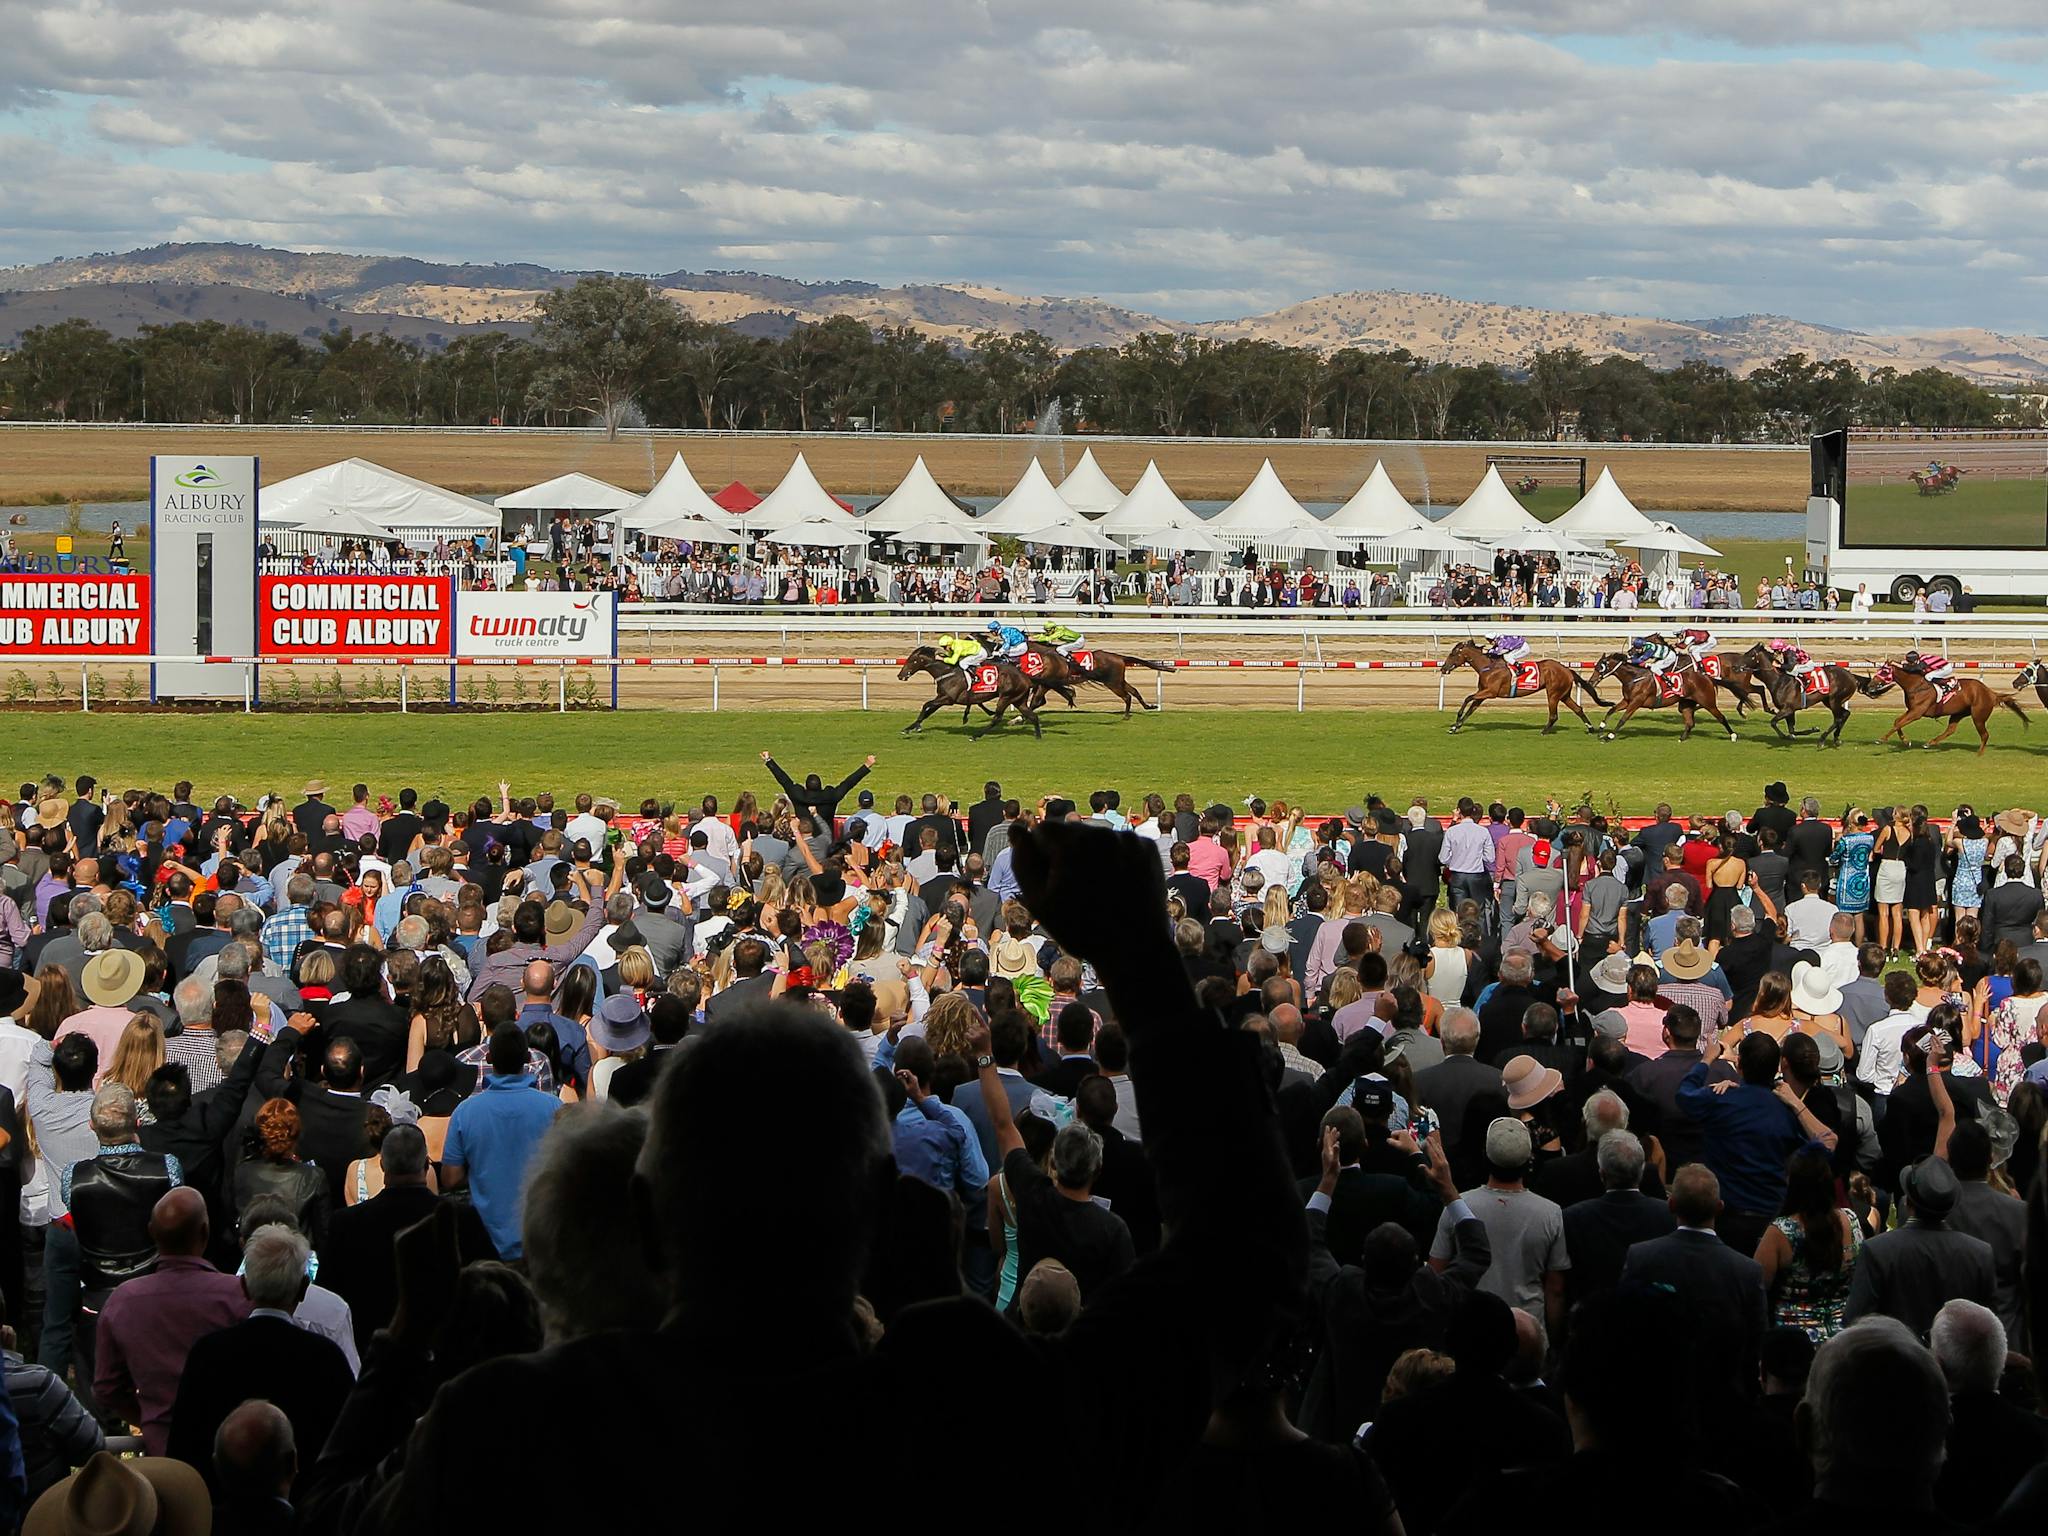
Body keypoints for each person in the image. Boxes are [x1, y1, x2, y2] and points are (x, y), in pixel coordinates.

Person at [164, 1225, 353, 1501]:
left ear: (244, 1286)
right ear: (303, 1289)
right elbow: (346, 1449)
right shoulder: (325, 1358)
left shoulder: (207, 1354)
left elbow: (182, 1449)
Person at [91, 1187, 248, 1456]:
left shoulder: (123, 1301)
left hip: (163, 1448)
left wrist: (151, 1419)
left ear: (151, 1232)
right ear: (204, 1232)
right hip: (232, 1450)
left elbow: (107, 1388)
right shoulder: (238, 1295)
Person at [1618, 1164, 1768, 1395]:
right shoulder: (1747, 1271)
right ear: (1720, 1208)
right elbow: (1755, 1345)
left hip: (1657, 1393)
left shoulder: (1641, 1258)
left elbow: (1625, 1328)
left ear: (1671, 1204)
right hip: (1724, 1398)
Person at [1429, 1116, 1567, 1349]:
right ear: (1528, 1159)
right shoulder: (1550, 1213)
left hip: (1471, 1330)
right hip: (1527, 1334)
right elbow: (1555, 1288)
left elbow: (1436, 1272)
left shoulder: (1459, 1206)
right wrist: (1552, 1341)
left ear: (1486, 1156)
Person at [438, 1024, 564, 1262]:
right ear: (527, 1058)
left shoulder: (465, 1112)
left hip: (486, 1245)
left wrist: (482, 1171)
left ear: (488, 1058)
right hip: (538, 1243)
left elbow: (450, 1178)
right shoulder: (553, 1108)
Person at [1754, 1145, 1861, 1342]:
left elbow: (1757, 1288)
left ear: (1793, 1185)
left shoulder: (1780, 1231)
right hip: (1844, 1340)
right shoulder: (1851, 1220)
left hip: (1793, 1345)